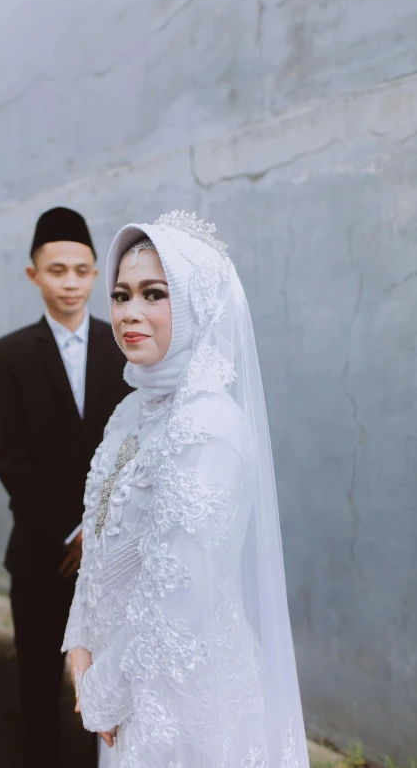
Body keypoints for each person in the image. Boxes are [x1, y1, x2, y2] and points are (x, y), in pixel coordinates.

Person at [62, 211, 310, 768]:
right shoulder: (130, 412)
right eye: (122, 295)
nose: (130, 313)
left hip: (184, 704)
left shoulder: (209, 428)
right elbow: (99, 539)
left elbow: (177, 596)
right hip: (123, 683)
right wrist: (80, 640)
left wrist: (99, 692)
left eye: (155, 294)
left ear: (200, 305)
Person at [0, 207, 131, 768]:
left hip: (114, 551)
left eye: (81, 270)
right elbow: (10, 457)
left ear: (97, 274)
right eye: (56, 270)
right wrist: (71, 530)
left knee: (114, 682)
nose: (70, 282)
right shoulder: (11, 354)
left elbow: (133, 448)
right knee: (37, 684)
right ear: (34, 276)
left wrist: (97, 531)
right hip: (40, 553)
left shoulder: (122, 342)